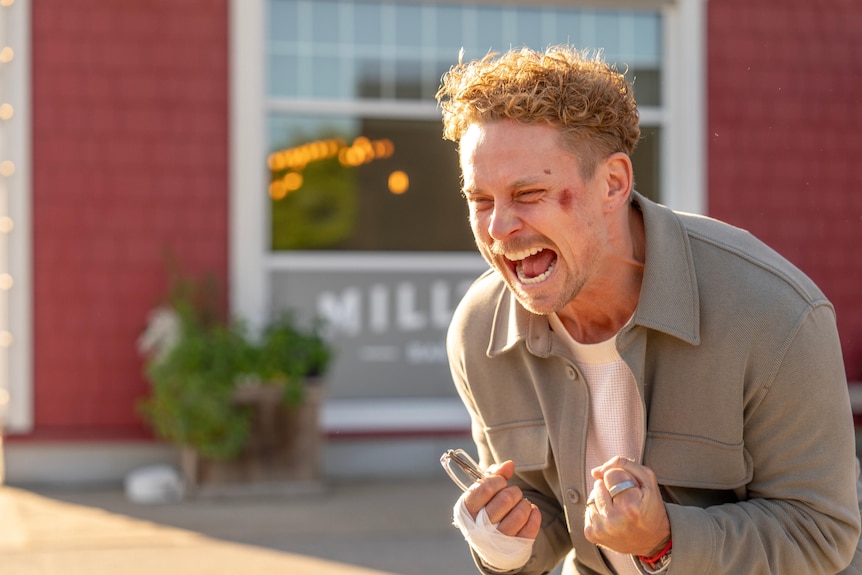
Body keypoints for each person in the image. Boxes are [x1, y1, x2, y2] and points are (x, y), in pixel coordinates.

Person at [436, 45, 862, 575]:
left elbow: (821, 534)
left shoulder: (776, 315)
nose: (498, 228)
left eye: (529, 193)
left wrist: (664, 541)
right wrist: (503, 545)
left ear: (613, 183)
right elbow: (544, 515)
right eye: (480, 200)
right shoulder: (478, 330)